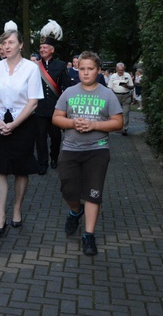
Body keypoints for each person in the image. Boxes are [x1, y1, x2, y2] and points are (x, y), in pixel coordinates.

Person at [52, 51, 123, 256]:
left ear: (98, 70)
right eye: (82, 69)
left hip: (97, 150)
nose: (85, 72)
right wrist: (73, 122)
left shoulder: (107, 94)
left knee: (93, 194)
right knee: (69, 190)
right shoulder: (69, 92)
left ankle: (88, 235)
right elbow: (57, 118)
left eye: (90, 69)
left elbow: (118, 123)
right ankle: (75, 210)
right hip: (71, 149)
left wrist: (94, 125)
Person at [0, 27, 43, 238]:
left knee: (21, 169)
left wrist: (15, 124)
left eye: (11, 43)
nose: (7, 47)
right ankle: (0, 215)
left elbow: (33, 101)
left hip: (23, 122)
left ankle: (17, 208)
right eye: (4, 43)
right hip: (0, 121)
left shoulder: (31, 68)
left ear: (20, 45)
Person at [34, 20, 72, 174]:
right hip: (39, 109)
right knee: (40, 138)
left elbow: (67, 86)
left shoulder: (61, 65)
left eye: (44, 48)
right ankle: (42, 164)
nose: (41, 50)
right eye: (40, 47)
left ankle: (54, 157)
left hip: (56, 109)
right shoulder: (35, 66)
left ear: (52, 50)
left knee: (56, 137)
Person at [107, 62, 134, 135]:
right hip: (116, 95)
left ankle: (124, 129)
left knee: (126, 112)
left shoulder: (127, 75)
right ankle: (117, 127)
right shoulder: (113, 76)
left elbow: (132, 86)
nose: (121, 72)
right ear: (116, 69)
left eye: (122, 70)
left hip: (126, 95)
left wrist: (127, 86)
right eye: (119, 70)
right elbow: (109, 87)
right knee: (117, 113)